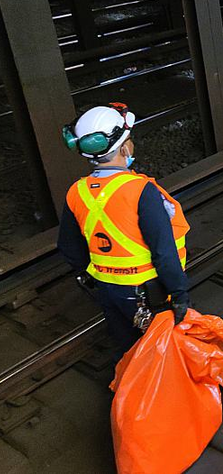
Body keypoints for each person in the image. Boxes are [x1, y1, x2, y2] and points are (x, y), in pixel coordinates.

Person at [57, 104, 190, 358]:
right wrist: (179, 293)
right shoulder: (141, 191)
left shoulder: (77, 191)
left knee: (129, 350)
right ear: (124, 147)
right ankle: (178, 395)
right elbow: (164, 251)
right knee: (166, 350)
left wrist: (97, 276)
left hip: (108, 290)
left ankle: (133, 393)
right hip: (148, 292)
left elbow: (69, 247)